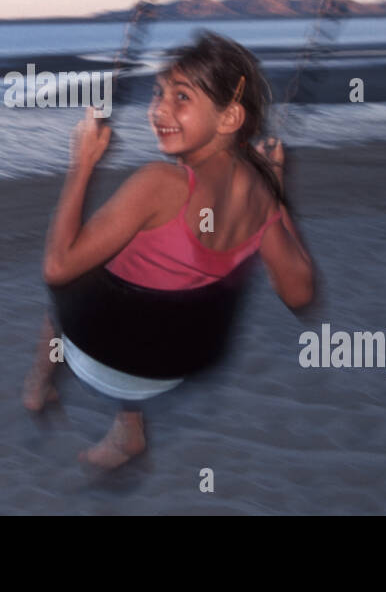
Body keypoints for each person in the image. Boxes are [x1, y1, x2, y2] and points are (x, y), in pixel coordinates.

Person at [22, 30, 315, 469]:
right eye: (158, 93)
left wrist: (81, 165)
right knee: (143, 286)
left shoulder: (160, 184)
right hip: (174, 366)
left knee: (77, 278)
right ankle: (128, 429)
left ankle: (39, 384)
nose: (159, 110)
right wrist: (276, 191)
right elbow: (299, 293)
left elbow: (56, 267)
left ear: (230, 117)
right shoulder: (261, 197)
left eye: (182, 97)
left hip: (101, 355)